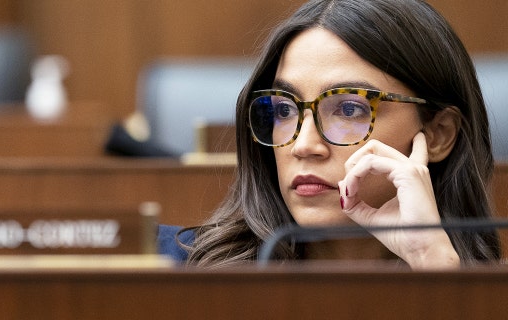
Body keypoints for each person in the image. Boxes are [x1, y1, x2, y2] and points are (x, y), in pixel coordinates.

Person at [158, 0, 501, 268]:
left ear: (438, 134)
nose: (303, 145)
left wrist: (435, 265)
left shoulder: (487, 297)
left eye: (349, 109)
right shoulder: (169, 270)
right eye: (283, 110)